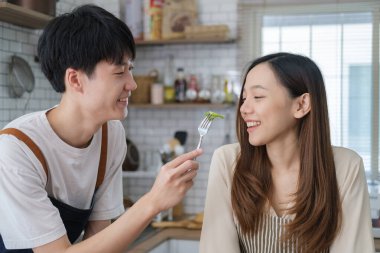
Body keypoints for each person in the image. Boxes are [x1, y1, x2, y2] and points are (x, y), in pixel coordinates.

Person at [0, 4, 202, 253]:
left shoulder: (111, 134)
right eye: (119, 72)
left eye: (131, 69)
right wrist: (152, 202)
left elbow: (101, 239)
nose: (133, 84)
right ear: (75, 79)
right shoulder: (16, 149)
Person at [200, 52, 374, 253]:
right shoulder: (228, 161)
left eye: (258, 97)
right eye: (244, 97)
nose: (244, 108)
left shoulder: (345, 166)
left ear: (302, 105)